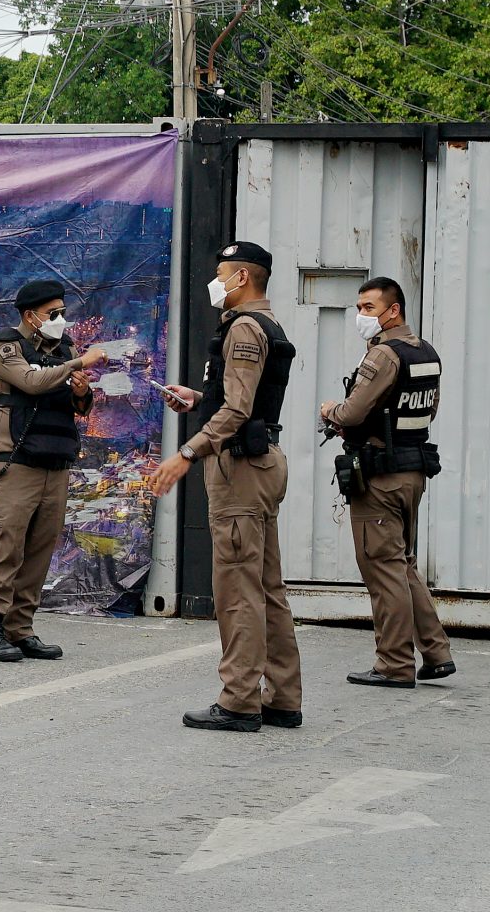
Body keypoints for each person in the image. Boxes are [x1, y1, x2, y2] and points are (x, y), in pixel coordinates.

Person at [148, 241, 302, 733]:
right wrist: (200, 398)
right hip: (258, 462)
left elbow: (237, 411)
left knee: (237, 589)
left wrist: (186, 454)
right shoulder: (264, 325)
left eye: (222, 274)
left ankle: (239, 701)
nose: (215, 283)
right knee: (266, 587)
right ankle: (282, 697)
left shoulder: (243, 329)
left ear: (241, 278)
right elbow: (238, 400)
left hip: (239, 469)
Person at [320, 276, 455, 689]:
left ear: (392, 311)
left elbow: (352, 413)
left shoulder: (383, 356)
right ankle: (435, 653)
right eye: (359, 308)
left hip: (380, 475)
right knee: (402, 565)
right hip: (413, 471)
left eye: (368, 308)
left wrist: (332, 410)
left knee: (382, 569)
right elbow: (426, 414)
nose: (361, 316)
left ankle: (394, 664)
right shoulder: (426, 353)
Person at [0, 279, 106, 663]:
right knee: (6, 544)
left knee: (40, 548)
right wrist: (78, 364)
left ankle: (20, 628)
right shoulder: (7, 346)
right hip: (13, 461)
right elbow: (31, 382)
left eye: (63, 312)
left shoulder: (63, 351)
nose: (61, 319)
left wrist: (80, 390)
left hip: (55, 459)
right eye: (53, 313)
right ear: (30, 315)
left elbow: (80, 407)